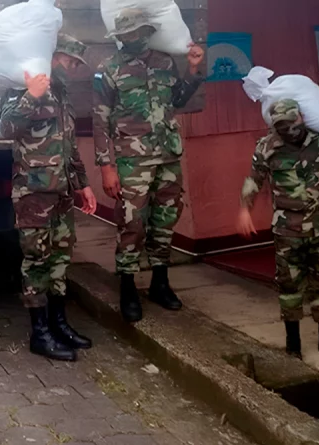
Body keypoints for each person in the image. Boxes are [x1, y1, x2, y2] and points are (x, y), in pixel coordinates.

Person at [92, 8, 204, 322]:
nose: (133, 37)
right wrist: (106, 166)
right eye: (127, 34)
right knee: (132, 222)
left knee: (166, 218)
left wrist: (193, 71)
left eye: (138, 32)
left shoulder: (165, 62)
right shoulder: (108, 70)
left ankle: (160, 281)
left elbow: (178, 99)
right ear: (120, 37)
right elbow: (100, 121)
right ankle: (128, 286)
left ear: (146, 32)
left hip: (168, 154)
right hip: (132, 159)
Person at [237, 100, 319, 363]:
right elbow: (254, 178)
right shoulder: (267, 146)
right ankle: (292, 341)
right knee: (289, 284)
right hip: (288, 229)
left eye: (292, 124)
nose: (289, 130)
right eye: (282, 126)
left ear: (301, 117)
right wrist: (244, 209)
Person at [0, 34, 98, 362]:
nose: (72, 67)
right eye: (70, 61)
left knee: (59, 261)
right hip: (33, 192)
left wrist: (83, 184)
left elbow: (69, 145)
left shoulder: (63, 93)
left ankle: (58, 323)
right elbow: (7, 127)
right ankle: (39, 333)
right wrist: (31, 96)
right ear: (53, 56)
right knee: (37, 262)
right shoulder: (19, 86)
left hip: (63, 192)